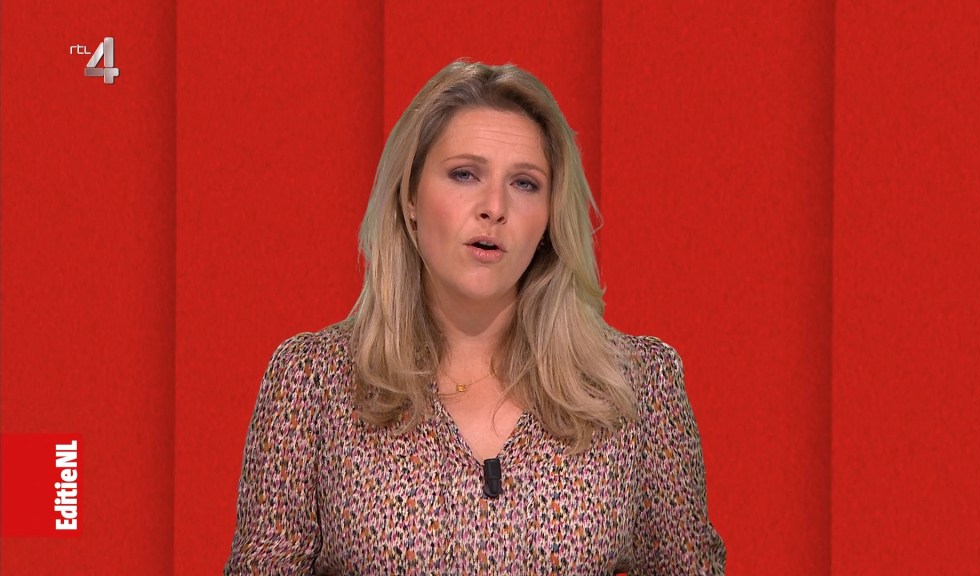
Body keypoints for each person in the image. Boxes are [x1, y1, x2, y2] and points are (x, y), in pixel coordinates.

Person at [224, 59, 725, 575]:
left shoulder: (637, 385)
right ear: (410, 197)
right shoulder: (311, 382)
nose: (494, 207)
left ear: (549, 217)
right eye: (465, 174)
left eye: (525, 183)